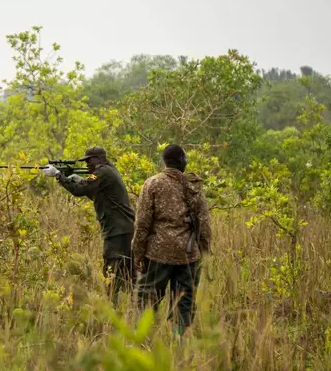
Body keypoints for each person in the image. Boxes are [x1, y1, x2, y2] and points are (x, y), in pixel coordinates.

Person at [131, 144, 212, 338]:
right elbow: (204, 227)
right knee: (184, 303)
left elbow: (142, 224)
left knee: (147, 300)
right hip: (188, 255)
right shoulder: (193, 187)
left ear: (165, 162)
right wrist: (205, 253)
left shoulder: (152, 184)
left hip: (158, 254)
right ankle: (179, 344)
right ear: (181, 161)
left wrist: (138, 253)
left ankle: (141, 343)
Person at [42, 146, 135, 306]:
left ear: (99, 159)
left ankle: (112, 312)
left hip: (117, 231)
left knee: (112, 272)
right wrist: (75, 178)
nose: (87, 164)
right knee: (127, 271)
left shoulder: (103, 172)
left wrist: (59, 175)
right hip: (123, 229)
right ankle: (134, 311)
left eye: (89, 160)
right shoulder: (108, 171)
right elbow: (93, 193)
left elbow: (80, 190)